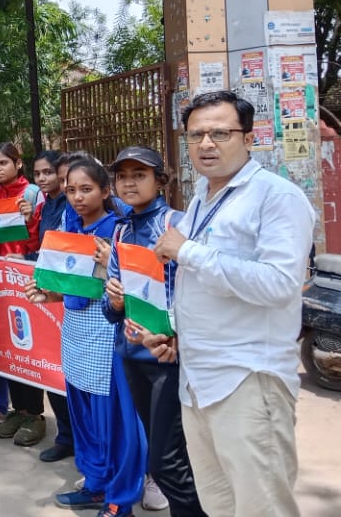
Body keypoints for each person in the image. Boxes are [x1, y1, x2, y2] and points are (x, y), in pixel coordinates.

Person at [146, 91, 314, 517]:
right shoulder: (202, 196)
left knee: (261, 508)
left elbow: (279, 284)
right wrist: (175, 333)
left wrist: (188, 252)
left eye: (220, 132)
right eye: (196, 134)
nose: (206, 143)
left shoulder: (276, 197)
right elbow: (204, 288)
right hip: (197, 380)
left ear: (248, 138)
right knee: (219, 505)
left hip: (248, 381)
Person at [25, 158, 146, 517]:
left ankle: (119, 499)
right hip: (75, 330)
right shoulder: (69, 227)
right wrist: (49, 295)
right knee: (83, 416)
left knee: (114, 421)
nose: (77, 197)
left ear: (105, 192)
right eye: (71, 189)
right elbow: (71, 286)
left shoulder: (120, 231)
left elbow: (139, 290)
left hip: (106, 333)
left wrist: (113, 263)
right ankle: (94, 484)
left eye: (86, 189)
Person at [102, 146, 206, 515]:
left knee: (167, 462)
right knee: (168, 456)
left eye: (139, 174)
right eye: (122, 175)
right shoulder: (122, 229)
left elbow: (197, 291)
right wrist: (113, 302)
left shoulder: (176, 224)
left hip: (168, 360)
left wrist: (178, 336)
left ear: (161, 181)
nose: (129, 182)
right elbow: (112, 309)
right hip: (132, 357)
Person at [0, 143, 47, 447]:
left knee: (29, 343)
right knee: (7, 343)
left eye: (3, 163)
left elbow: (39, 240)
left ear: (17, 163)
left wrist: (28, 217)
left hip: (25, 279)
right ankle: (17, 409)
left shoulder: (34, 193)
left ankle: (35, 414)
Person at [34, 149, 80, 463]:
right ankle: (66, 436)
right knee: (53, 369)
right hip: (53, 297)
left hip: (78, 302)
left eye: (72, 181)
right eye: (64, 180)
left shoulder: (85, 211)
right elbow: (45, 250)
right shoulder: (47, 205)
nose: (65, 187)